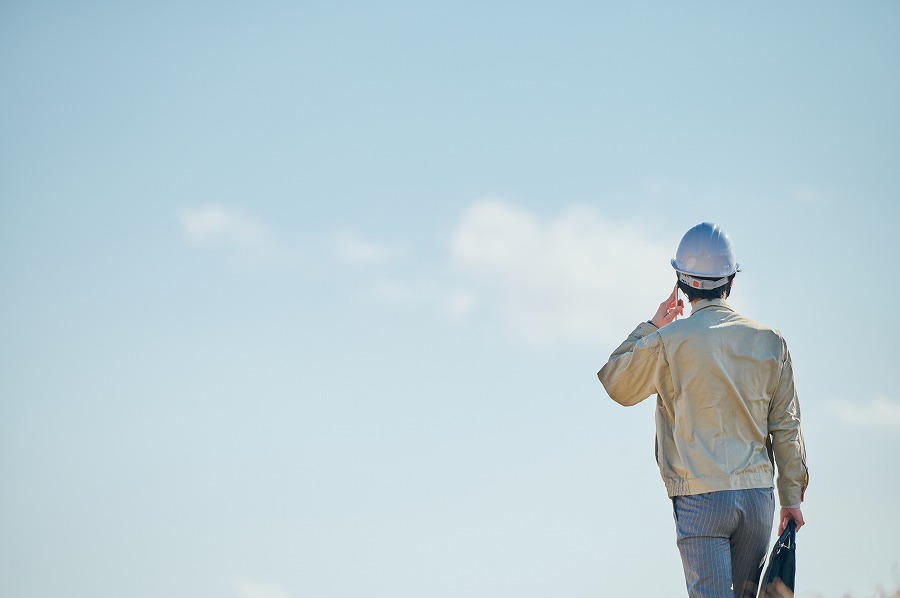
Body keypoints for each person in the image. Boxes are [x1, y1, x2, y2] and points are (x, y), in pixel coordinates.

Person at [597, 222, 808, 598]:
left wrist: (652, 325)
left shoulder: (667, 341)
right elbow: (786, 425)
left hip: (700, 499)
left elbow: (616, 382)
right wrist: (790, 497)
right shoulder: (770, 341)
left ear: (681, 281)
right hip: (758, 499)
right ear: (731, 280)